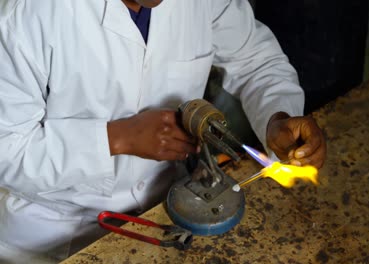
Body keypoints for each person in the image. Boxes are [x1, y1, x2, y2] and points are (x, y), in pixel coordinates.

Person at [0, 0, 326, 262]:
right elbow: (6, 150)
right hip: (54, 231)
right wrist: (117, 138)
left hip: (167, 207)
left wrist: (277, 118)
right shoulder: (29, 15)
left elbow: (256, 60)